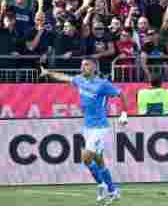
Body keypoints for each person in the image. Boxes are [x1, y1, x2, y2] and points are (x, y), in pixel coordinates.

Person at [42, 58, 129, 203]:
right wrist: (48, 72)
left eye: (87, 64)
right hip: (88, 127)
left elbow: (122, 94)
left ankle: (101, 185)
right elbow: (65, 77)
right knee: (98, 160)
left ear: (94, 67)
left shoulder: (102, 84)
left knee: (86, 157)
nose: (83, 67)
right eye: (82, 65)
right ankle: (112, 190)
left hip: (100, 127)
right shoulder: (80, 80)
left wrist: (124, 113)